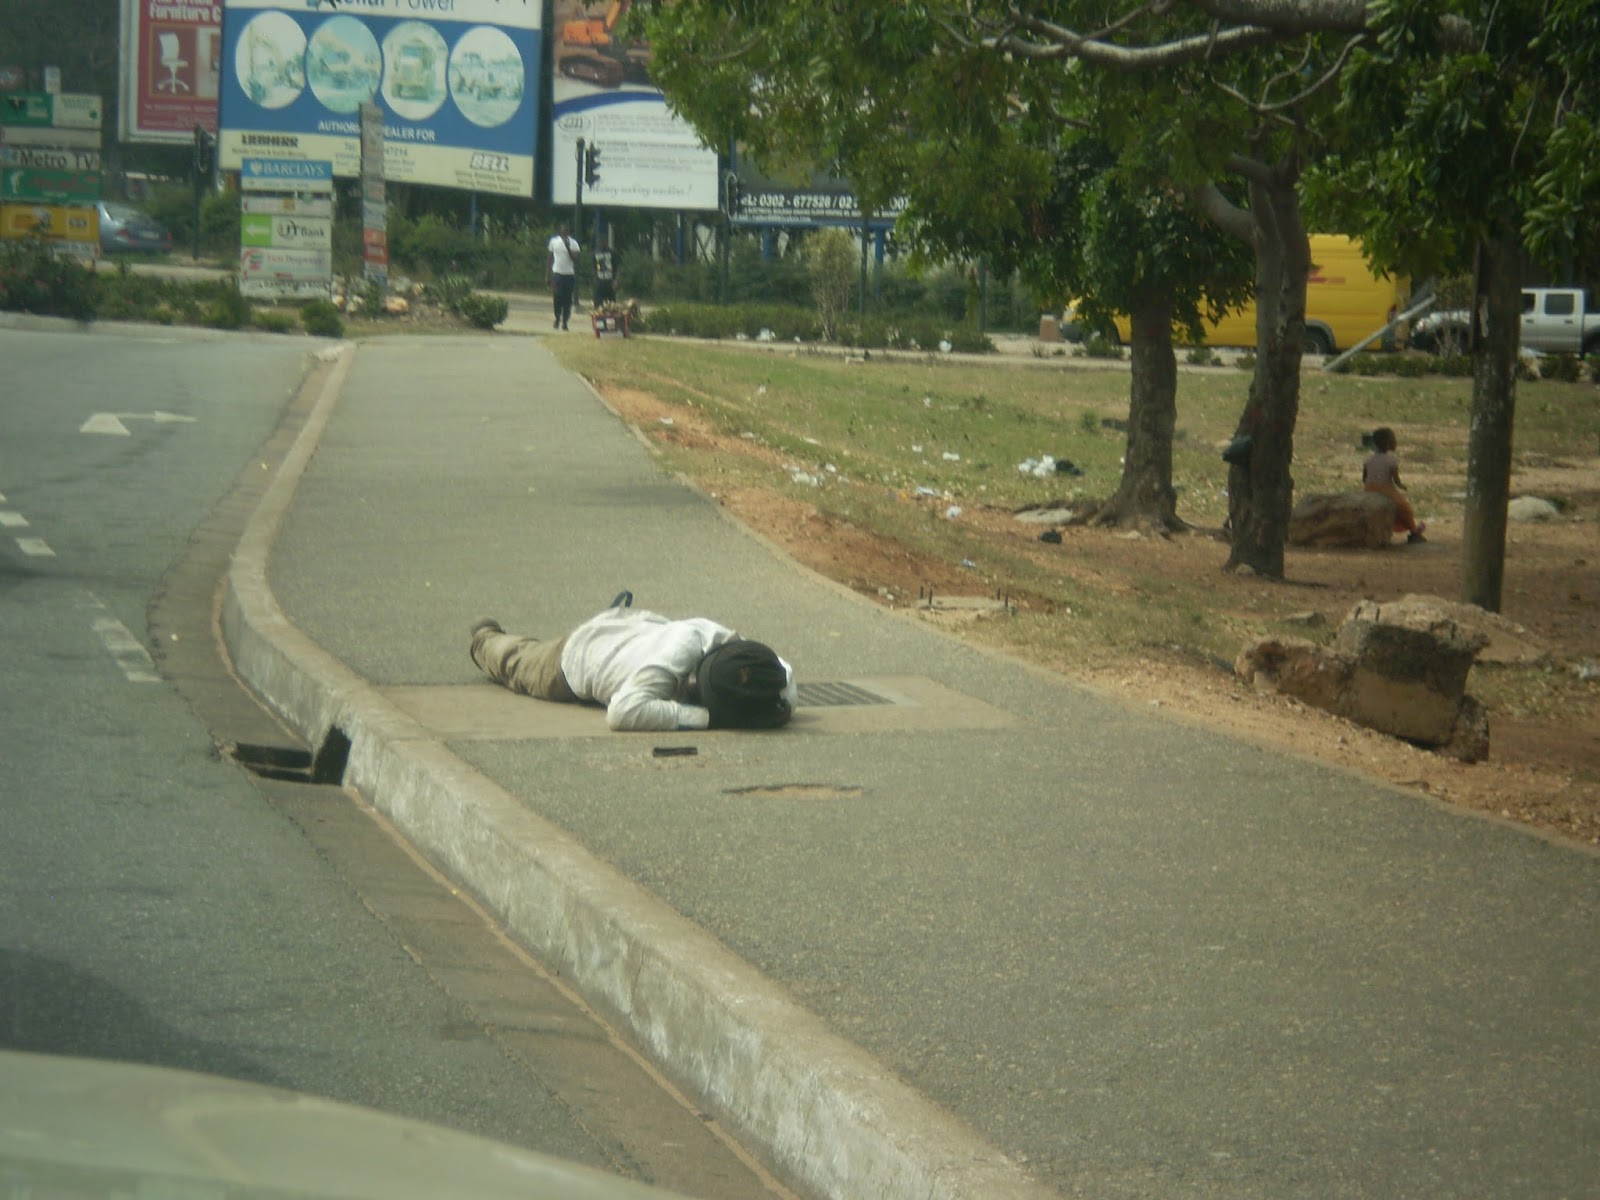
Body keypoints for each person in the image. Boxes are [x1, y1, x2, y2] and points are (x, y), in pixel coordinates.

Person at [469, 592, 797, 732]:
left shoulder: (739, 650)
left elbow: (782, 680)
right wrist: (707, 717)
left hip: (631, 629)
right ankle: (485, 639)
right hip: (577, 658)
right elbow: (622, 713)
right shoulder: (669, 663)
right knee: (521, 665)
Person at [1362, 426, 1426, 543]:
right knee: (1404, 508)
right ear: (1389, 443)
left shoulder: (1368, 459)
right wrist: (1402, 485)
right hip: (1386, 489)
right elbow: (1396, 480)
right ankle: (1413, 529)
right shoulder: (1392, 460)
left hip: (1369, 488)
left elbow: (1365, 478)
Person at [546, 223, 580, 330]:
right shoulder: (554, 242)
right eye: (563, 231)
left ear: (569, 232)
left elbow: (576, 259)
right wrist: (548, 275)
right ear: (560, 231)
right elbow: (550, 258)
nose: (564, 233)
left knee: (567, 300)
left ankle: (565, 321)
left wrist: (568, 248)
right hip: (557, 273)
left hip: (569, 274)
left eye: (566, 231)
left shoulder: (574, 243)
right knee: (557, 297)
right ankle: (557, 317)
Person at [592, 233, 617, 308]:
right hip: (600, 281)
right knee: (598, 303)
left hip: (610, 280)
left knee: (611, 304)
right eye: (600, 241)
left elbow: (617, 267)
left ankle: (610, 318)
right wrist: (595, 279)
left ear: (606, 242)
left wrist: (616, 280)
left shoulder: (613, 252)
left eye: (604, 241)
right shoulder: (595, 253)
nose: (602, 243)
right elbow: (594, 268)